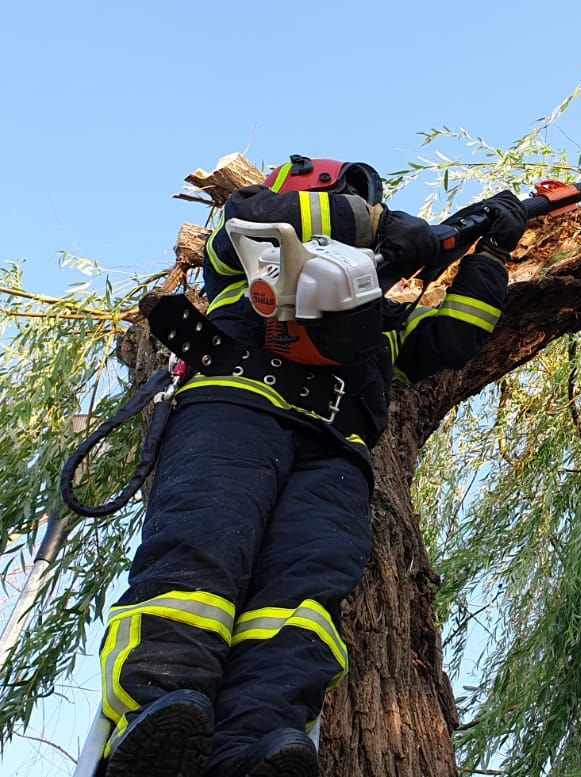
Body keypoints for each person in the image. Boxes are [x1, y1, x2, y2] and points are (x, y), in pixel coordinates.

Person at [97, 155, 526, 777]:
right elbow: (256, 215)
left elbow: (452, 338)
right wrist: (384, 224)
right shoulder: (239, 249)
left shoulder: (376, 316)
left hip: (334, 446)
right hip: (232, 410)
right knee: (201, 553)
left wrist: (489, 258)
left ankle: (256, 741)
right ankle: (155, 717)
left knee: (304, 591)